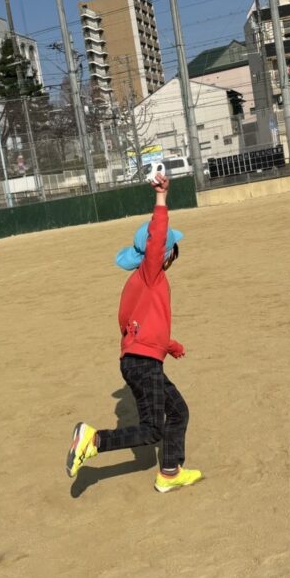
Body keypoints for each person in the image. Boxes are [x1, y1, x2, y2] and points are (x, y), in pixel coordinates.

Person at [66, 174, 203, 494]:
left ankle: (170, 471)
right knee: (152, 429)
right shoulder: (151, 273)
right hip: (143, 363)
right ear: (164, 253)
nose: (174, 253)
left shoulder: (138, 285)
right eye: (174, 248)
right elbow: (157, 239)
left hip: (138, 359)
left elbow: (135, 326)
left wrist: (170, 345)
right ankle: (94, 440)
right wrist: (161, 198)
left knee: (179, 411)